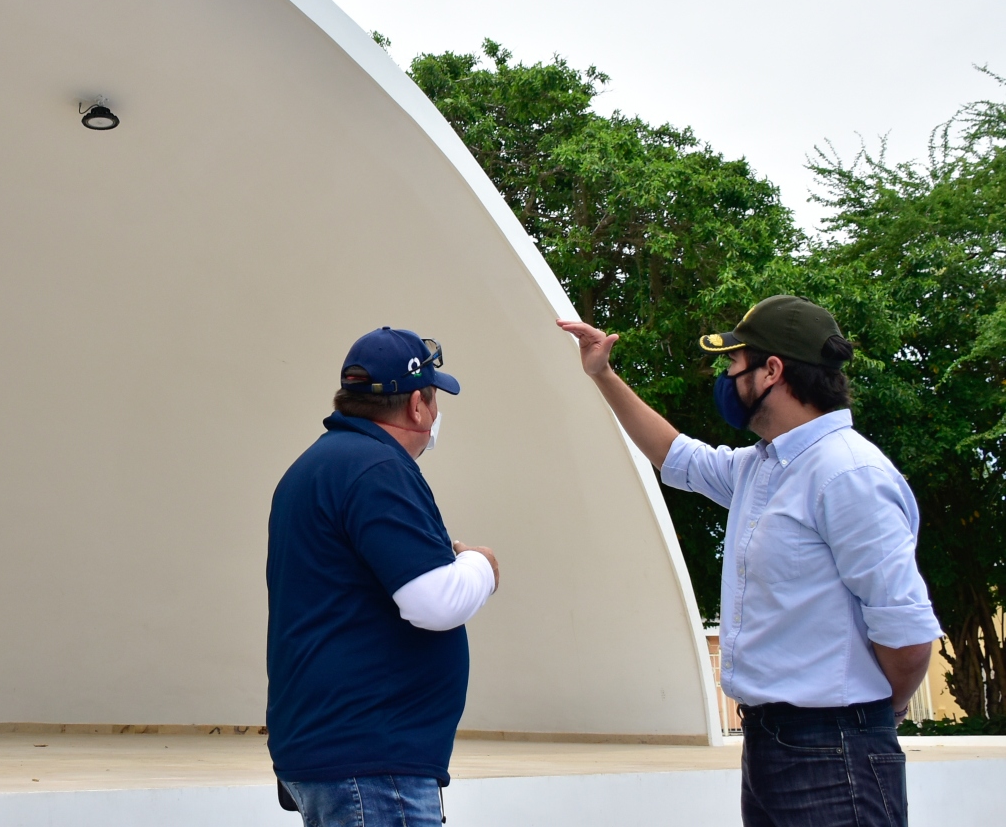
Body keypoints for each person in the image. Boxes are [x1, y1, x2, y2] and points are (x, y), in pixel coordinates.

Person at [558, 296, 942, 827]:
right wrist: (603, 375)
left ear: (773, 372)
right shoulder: (765, 467)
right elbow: (676, 456)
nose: (726, 377)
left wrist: (873, 716)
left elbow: (905, 631)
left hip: (834, 750)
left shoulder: (846, 474)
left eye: (733, 365)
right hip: (772, 745)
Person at [266, 326, 499, 827]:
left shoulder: (318, 466)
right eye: (434, 400)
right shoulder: (377, 469)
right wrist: (482, 565)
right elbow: (433, 603)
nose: (436, 415)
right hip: (372, 760)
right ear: (417, 406)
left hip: (338, 751)